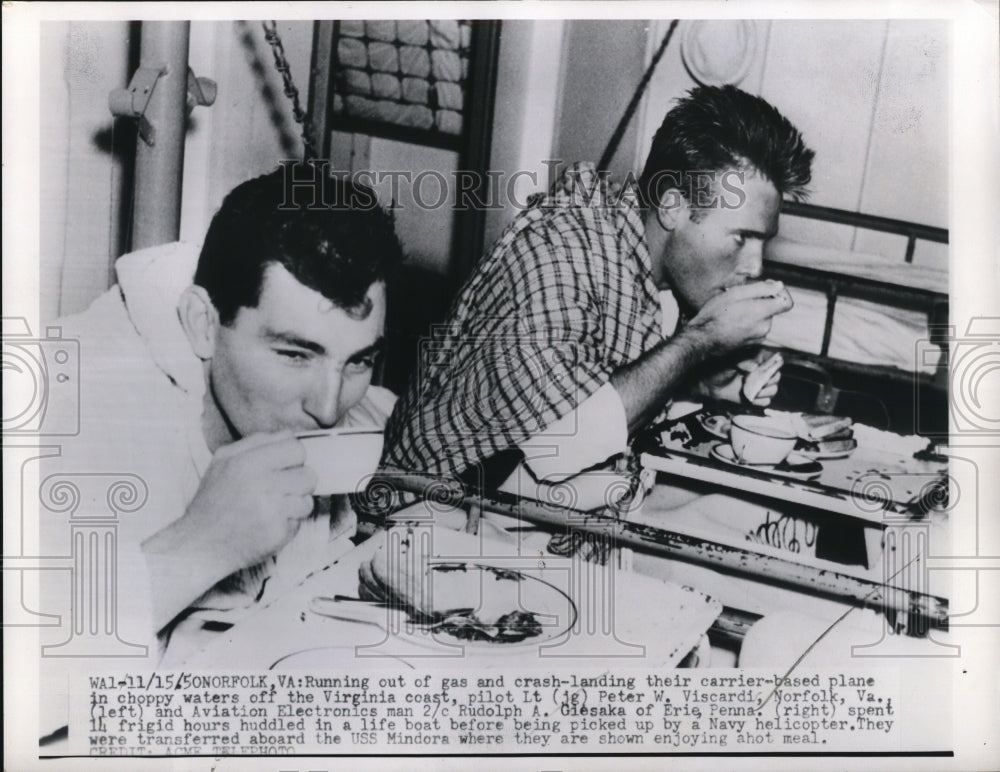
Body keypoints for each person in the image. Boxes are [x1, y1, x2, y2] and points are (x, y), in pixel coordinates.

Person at [38, 165, 403, 665]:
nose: (327, 408)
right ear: (202, 323)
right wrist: (200, 544)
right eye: (295, 354)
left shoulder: (339, 405)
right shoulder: (63, 406)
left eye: (359, 360)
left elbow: (389, 418)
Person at [382, 85, 814, 501]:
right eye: (741, 237)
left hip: (533, 510)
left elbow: (611, 387)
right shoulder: (558, 254)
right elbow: (557, 449)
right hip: (432, 512)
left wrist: (705, 387)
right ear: (671, 207)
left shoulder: (657, 278)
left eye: (764, 242)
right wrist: (700, 341)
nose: (756, 267)